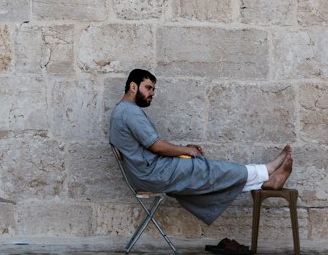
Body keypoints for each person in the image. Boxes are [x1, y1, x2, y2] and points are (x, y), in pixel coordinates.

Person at [109, 68, 293, 238]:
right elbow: (156, 146)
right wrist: (188, 150)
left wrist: (184, 152)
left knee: (203, 180)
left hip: (149, 172)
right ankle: (266, 171)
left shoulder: (124, 111)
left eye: (153, 90)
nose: (151, 94)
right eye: (148, 88)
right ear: (133, 87)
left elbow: (152, 146)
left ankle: (264, 181)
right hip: (153, 173)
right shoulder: (129, 112)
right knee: (207, 169)